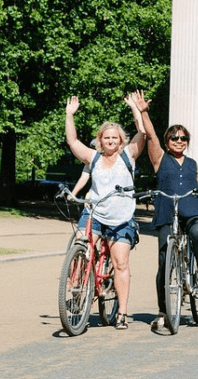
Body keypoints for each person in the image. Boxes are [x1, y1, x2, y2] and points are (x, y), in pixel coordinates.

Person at [131, 90, 198, 333]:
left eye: (183, 138)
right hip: (167, 212)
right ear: (167, 141)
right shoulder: (160, 159)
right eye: (174, 137)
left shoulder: (194, 164)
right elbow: (151, 135)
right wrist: (143, 111)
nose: (179, 141)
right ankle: (164, 310)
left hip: (193, 209)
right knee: (164, 260)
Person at [64, 94, 148, 330]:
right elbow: (73, 142)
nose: (110, 141)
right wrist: (69, 115)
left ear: (120, 140)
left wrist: (136, 110)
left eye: (114, 138)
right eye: (106, 137)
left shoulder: (128, 155)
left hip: (121, 218)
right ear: (100, 140)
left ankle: (121, 312)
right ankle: (77, 287)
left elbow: (143, 134)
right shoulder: (94, 157)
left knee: (121, 263)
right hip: (95, 213)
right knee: (80, 243)